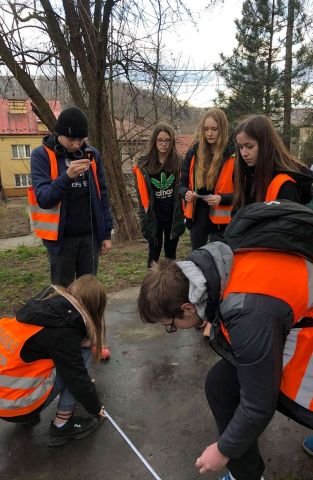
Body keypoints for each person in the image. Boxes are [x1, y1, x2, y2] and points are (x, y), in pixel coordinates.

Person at [138, 240, 313, 480]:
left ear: (187, 308)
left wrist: (223, 450)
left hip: (304, 337)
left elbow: (259, 403)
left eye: (171, 325)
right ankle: (246, 475)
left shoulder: (247, 313)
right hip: (289, 322)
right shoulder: (215, 271)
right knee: (221, 384)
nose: (174, 330)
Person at [0, 275, 107, 447]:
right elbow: (77, 378)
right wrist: (95, 407)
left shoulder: (41, 308)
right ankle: (62, 425)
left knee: (63, 360)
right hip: (15, 406)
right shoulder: (63, 333)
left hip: (5, 401)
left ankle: (27, 411)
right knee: (79, 359)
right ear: (95, 308)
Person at [29, 106, 113, 287]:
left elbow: (102, 195)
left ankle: (86, 317)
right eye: (71, 139)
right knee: (62, 293)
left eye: (81, 139)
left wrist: (106, 234)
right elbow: (44, 198)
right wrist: (67, 177)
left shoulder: (92, 154)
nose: (76, 145)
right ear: (58, 133)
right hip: (60, 240)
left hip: (89, 238)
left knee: (87, 291)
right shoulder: (40, 156)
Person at [178, 108, 235, 250]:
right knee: (198, 260)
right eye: (206, 129)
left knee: (221, 262)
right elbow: (181, 184)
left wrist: (222, 199)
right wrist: (186, 193)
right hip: (198, 216)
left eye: (214, 129)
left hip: (224, 221)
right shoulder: (194, 152)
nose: (209, 133)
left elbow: (243, 193)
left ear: (222, 129)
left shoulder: (233, 154)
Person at [133, 123, 185, 267]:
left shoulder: (179, 162)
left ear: (172, 141)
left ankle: (170, 286)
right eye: (160, 140)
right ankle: (151, 286)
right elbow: (140, 196)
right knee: (153, 254)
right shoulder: (144, 165)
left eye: (167, 140)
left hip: (172, 215)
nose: (164, 144)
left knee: (171, 254)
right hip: (154, 216)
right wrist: (143, 217)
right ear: (154, 141)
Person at [234, 114, 313, 209]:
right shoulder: (249, 174)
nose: (244, 153)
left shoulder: (286, 184)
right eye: (240, 147)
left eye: (249, 146)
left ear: (266, 145)